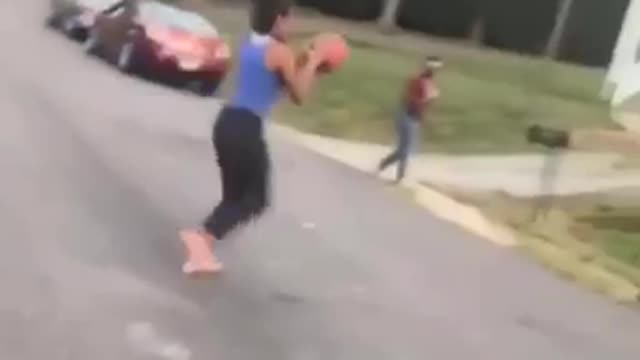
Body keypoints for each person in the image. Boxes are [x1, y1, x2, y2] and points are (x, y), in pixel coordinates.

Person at [179, 0, 327, 275]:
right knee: (256, 199)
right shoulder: (280, 52)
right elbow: (299, 95)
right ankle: (200, 237)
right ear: (278, 20)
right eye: (289, 19)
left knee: (233, 197)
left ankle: (200, 252)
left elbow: (278, 85)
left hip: (226, 122)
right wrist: (315, 61)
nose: (292, 24)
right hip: (246, 127)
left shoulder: (250, 44)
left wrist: (306, 63)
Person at [377, 56, 443, 183]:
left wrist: (427, 108)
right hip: (406, 116)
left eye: (436, 69)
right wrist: (426, 101)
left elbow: (427, 103)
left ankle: (384, 164)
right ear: (427, 68)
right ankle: (399, 177)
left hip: (414, 118)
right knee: (405, 149)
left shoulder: (430, 84)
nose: (435, 72)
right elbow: (411, 101)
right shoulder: (418, 81)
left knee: (404, 149)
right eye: (433, 68)